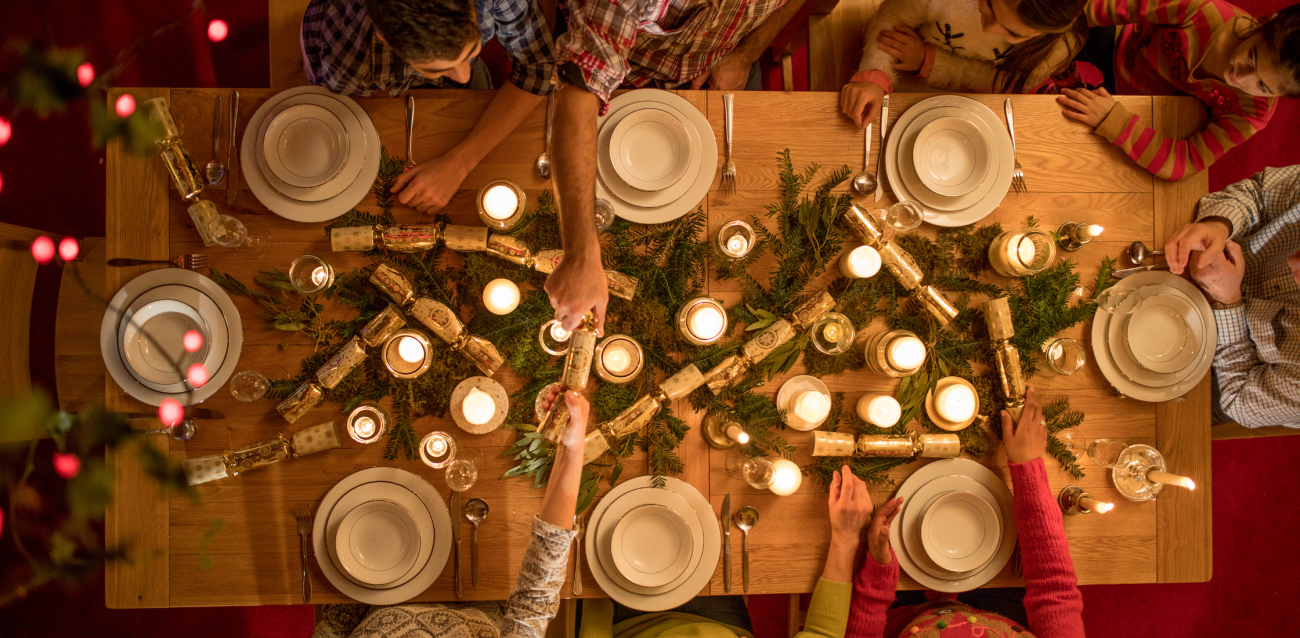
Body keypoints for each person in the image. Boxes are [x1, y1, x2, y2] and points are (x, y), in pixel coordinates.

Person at [546, 0, 815, 335]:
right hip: (623, 68)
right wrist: (581, 255)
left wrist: (745, 54)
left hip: (723, 56)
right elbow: (579, 93)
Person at [310, 391, 590, 638]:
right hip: (484, 605)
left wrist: (349, 590)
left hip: (375, 598)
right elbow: (535, 597)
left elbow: (334, 628)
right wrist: (572, 445)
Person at [847, 388, 1087, 637]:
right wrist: (1028, 466)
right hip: (993, 607)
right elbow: (1054, 592)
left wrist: (877, 576)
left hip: (899, 613)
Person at [301, 0, 558, 212]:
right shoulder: (348, 61)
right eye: (440, 68)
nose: (464, 77)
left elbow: (538, 69)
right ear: (385, 39)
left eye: (471, 51)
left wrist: (460, 164)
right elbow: (339, 102)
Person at [577, 464, 879, 638]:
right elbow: (822, 635)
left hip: (630, 620)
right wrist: (847, 536)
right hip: (719, 621)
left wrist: (597, 574)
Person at [1056, 1, 1300, 181]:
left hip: (1141, 108)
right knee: (1051, 37)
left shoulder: (1254, 112)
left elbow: (1183, 163)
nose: (1241, 77)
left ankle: (1068, 78)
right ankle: (1064, 73)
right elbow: (1100, 7)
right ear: (1266, 22)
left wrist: (1115, 122)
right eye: (1252, 56)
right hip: (1121, 43)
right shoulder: (1201, 10)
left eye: (1262, 87)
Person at [1164, 166, 1300, 428]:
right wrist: (1218, 225)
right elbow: (1260, 192)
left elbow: (1238, 399)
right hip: (1190, 259)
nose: (1292, 262)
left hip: (1215, 377)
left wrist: (1227, 300)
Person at [840, 0, 1092, 129]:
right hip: (907, 77)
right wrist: (874, 73)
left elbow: (1005, 84)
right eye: (989, 8)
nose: (988, 29)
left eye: (1014, 34)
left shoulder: (1060, 46)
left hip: (977, 100)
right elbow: (892, 16)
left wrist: (930, 61)